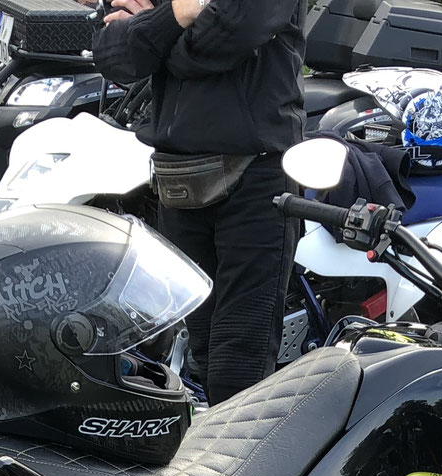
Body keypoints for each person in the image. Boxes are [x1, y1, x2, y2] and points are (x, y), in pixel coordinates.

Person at [93, 0, 303, 405]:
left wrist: (158, 41)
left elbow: (234, 31)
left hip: (255, 174)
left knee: (240, 361)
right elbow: (113, 53)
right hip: (179, 177)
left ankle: (243, 448)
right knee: (202, 352)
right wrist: (177, 15)